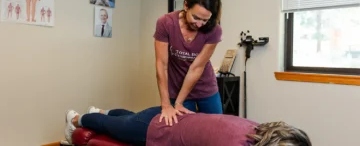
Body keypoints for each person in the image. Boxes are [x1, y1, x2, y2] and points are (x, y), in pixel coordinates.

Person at [65, 105, 312, 146]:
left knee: (130, 117)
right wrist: (77, 123)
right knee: (111, 125)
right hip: (158, 129)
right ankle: (76, 119)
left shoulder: (257, 127)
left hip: (169, 114)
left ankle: (99, 110)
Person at [153, 0, 223, 125]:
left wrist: (179, 102)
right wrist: (166, 105)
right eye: (196, 17)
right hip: (176, 87)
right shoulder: (165, 23)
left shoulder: (214, 30)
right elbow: (162, 65)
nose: (199, 24)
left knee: (215, 128)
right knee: (184, 130)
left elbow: (196, 68)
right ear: (186, 6)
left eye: (205, 20)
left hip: (205, 87)